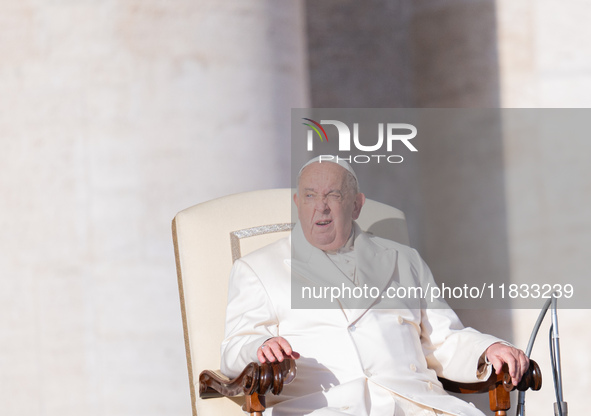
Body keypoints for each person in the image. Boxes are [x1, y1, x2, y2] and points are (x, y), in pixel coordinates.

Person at [221, 157, 529, 416]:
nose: (321, 207)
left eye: (334, 195)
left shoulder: (404, 259)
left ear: (356, 205)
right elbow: (234, 347)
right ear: (297, 203)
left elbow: (443, 340)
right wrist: (259, 347)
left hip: (418, 405)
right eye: (310, 196)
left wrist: (487, 348)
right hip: (327, 408)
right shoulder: (257, 268)